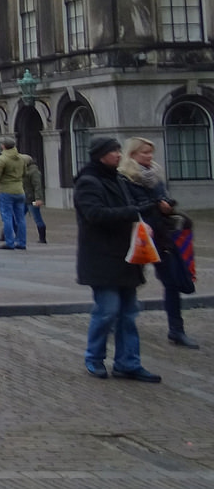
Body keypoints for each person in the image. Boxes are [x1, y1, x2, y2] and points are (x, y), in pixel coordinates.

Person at [75, 135, 165, 381]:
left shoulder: (119, 179)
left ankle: (128, 362)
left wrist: (149, 211)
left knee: (128, 313)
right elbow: (94, 215)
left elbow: (134, 206)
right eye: (113, 151)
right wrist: (133, 212)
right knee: (107, 310)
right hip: (101, 257)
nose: (118, 154)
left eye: (118, 150)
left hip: (125, 256)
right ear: (100, 155)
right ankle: (94, 357)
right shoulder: (88, 181)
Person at [120, 137, 198, 349]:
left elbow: (166, 199)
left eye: (150, 152)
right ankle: (116, 321)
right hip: (137, 236)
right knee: (128, 282)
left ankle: (176, 330)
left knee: (171, 281)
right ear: (133, 154)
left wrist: (167, 205)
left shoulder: (155, 175)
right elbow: (129, 207)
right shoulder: (124, 178)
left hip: (161, 235)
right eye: (145, 152)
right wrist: (155, 204)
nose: (149, 156)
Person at [0, 136, 27, 250]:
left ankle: (10, 242)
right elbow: (25, 173)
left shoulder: (2, 159)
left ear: (3, 146)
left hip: (6, 191)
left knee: (7, 217)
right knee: (20, 218)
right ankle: (22, 242)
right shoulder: (21, 158)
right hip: (19, 190)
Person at [19, 152, 47, 245]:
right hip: (24, 199)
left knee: (37, 217)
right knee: (17, 216)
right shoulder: (23, 171)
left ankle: (42, 238)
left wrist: (39, 199)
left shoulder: (34, 172)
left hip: (33, 200)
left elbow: (37, 186)